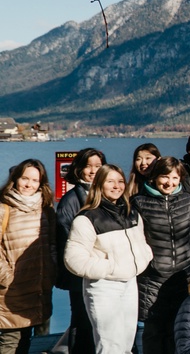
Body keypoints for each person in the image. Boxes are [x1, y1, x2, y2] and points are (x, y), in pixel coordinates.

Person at [64, 164, 153, 353]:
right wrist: (110, 268)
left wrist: (142, 260)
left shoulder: (131, 213)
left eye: (120, 181)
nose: (116, 186)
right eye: (110, 181)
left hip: (130, 283)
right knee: (110, 346)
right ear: (99, 185)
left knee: (127, 343)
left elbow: (142, 243)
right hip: (103, 287)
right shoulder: (87, 218)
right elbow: (74, 259)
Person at [131, 156, 190, 354]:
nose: (170, 183)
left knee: (181, 332)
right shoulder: (139, 202)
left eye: (175, 178)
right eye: (165, 177)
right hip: (152, 280)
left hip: (183, 278)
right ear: (155, 177)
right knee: (153, 334)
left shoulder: (188, 201)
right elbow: (134, 241)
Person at [0, 159, 56, 354]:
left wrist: (50, 271)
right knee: (9, 343)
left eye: (34, 180)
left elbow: (52, 245)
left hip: (37, 291)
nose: (28, 184)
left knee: (25, 343)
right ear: (15, 179)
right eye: (25, 178)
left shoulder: (46, 210)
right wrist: (6, 277)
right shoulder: (4, 208)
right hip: (11, 293)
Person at [55, 147, 106, 353]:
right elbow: (66, 239)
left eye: (98, 166)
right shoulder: (71, 200)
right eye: (88, 166)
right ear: (78, 169)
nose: (93, 171)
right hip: (80, 275)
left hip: (102, 272)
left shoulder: (105, 195)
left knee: (100, 323)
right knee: (82, 323)